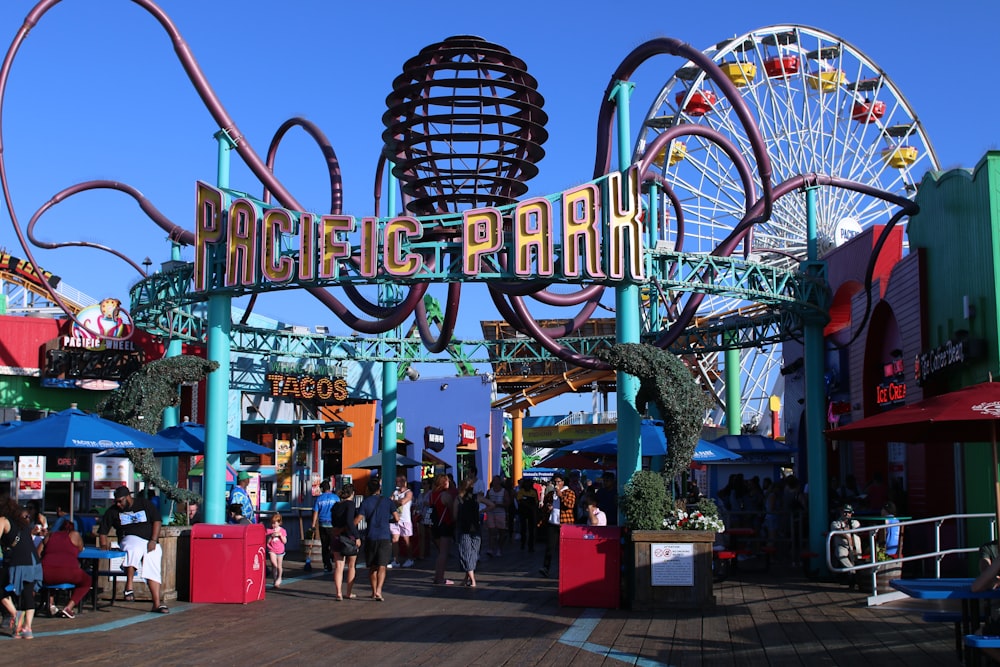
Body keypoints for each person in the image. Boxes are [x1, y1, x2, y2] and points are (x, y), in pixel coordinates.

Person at [98, 485, 169, 614]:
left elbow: (157, 521)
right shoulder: (113, 511)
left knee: (153, 566)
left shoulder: (143, 504)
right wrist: (103, 545)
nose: (118, 504)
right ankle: (129, 586)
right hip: (129, 537)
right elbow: (103, 531)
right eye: (116, 501)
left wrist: (153, 540)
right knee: (134, 547)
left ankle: (157, 603)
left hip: (149, 540)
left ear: (128, 497)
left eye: (121, 501)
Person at [0, 499, 42, 638]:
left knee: (1, 589)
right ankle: (27, 628)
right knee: (28, 593)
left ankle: (15, 613)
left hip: (18, 561)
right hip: (33, 561)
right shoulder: (22, 523)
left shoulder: (3, 520)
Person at [356, 478, 398, 601]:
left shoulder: (366, 502)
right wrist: (387, 520)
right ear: (379, 489)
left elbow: (358, 519)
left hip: (371, 536)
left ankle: (374, 591)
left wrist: (350, 529)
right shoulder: (388, 501)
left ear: (368, 489)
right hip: (384, 536)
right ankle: (379, 590)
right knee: (382, 566)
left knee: (372, 567)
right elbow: (396, 518)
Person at [40, 520, 91, 618]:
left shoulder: (50, 536)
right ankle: (69, 607)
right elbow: (80, 548)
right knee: (87, 581)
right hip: (68, 571)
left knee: (49, 579)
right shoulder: (75, 535)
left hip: (46, 571)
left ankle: (50, 603)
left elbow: (38, 552)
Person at [454, 479, 492, 587]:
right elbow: (491, 504)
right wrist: (480, 511)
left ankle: (473, 580)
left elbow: (454, 515)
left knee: (465, 553)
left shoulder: (458, 499)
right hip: (475, 527)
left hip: (463, 528)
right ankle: (467, 579)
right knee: (473, 553)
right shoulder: (477, 497)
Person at [539, 472, 576, 578]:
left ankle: (567, 569)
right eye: (555, 482)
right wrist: (548, 507)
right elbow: (544, 507)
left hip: (565, 523)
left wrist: (560, 495)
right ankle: (546, 567)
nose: (556, 484)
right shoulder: (551, 494)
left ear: (563, 482)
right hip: (552, 522)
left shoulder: (569, 492)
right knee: (550, 547)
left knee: (565, 548)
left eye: (558, 482)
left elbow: (570, 505)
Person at [331, 483, 361, 601]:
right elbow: (350, 521)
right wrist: (357, 536)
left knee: (339, 566)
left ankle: (338, 592)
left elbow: (333, 522)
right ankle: (348, 592)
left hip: (337, 536)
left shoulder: (335, 506)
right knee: (351, 566)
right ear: (352, 494)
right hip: (348, 537)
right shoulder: (350, 505)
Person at [429, 473, 456, 585]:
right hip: (445, 524)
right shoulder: (445, 495)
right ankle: (440, 578)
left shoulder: (432, 494)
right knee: (444, 553)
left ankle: (437, 576)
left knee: (440, 552)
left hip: (435, 525)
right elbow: (452, 511)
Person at [311, 480, 340, 573]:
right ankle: (334, 558)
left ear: (322, 489)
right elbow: (339, 511)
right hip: (333, 524)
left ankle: (327, 565)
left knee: (325, 545)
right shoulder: (336, 498)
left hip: (323, 524)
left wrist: (313, 524)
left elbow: (316, 512)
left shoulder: (319, 499)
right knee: (334, 544)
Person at [829, 504, 861, 587]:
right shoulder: (835, 523)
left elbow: (857, 530)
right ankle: (852, 571)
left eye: (849, 512)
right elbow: (839, 531)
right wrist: (847, 535)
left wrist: (846, 530)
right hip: (842, 546)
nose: (846, 514)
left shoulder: (855, 522)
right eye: (844, 512)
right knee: (840, 553)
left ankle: (855, 578)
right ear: (841, 512)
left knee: (858, 558)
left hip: (855, 547)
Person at [390, 475, 414, 568]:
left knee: (406, 540)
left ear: (404, 482)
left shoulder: (409, 493)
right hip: (395, 518)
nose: (397, 483)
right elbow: (389, 500)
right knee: (394, 539)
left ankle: (410, 558)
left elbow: (402, 502)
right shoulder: (395, 492)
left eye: (399, 482)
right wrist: (395, 500)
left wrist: (394, 501)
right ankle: (396, 560)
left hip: (405, 519)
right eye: (396, 482)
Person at [485, 475, 511, 557]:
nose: (495, 482)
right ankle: (491, 549)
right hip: (491, 513)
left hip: (500, 513)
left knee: (501, 532)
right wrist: (489, 504)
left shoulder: (504, 491)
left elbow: (508, 503)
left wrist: (499, 504)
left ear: (500, 482)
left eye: (496, 480)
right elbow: (486, 500)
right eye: (494, 481)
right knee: (491, 531)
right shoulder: (490, 491)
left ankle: (499, 548)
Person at [515, 477, 539, 553]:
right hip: (523, 512)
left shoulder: (534, 491)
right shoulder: (521, 491)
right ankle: (523, 543)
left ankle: (531, 546)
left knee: (531, 530)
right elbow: (519, 500)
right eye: (526, 483)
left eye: (529, 483)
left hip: (531, 512)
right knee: (523, 528)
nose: (527, 484)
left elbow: (536, 502)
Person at [267, 513, 287, 587]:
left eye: (275, 523)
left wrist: (280, 535)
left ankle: (279, 577)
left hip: (280, 550)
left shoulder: (283, 531)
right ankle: (275, 579)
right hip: (272, 549)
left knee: (279, 566)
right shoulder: (269, 530)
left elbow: (285, 541)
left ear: (279, 523)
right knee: (274, 564)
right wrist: (271, 536)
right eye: (272, 523)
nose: (273, 525)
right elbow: (267, 542)